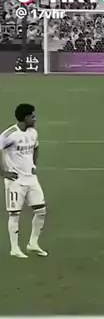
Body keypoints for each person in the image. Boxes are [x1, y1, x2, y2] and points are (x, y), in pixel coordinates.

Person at [0, 104, 47, 258]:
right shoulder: (10, 134)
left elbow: (36, 148)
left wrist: (34, 164)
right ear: (26, 118)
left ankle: (33, 244)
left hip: (31, 178)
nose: (35, 119)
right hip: (15, 181)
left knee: (41, 211)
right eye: (32, 116)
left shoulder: (33, 133)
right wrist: (3, 172)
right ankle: (14, 248)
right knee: (14, 214)